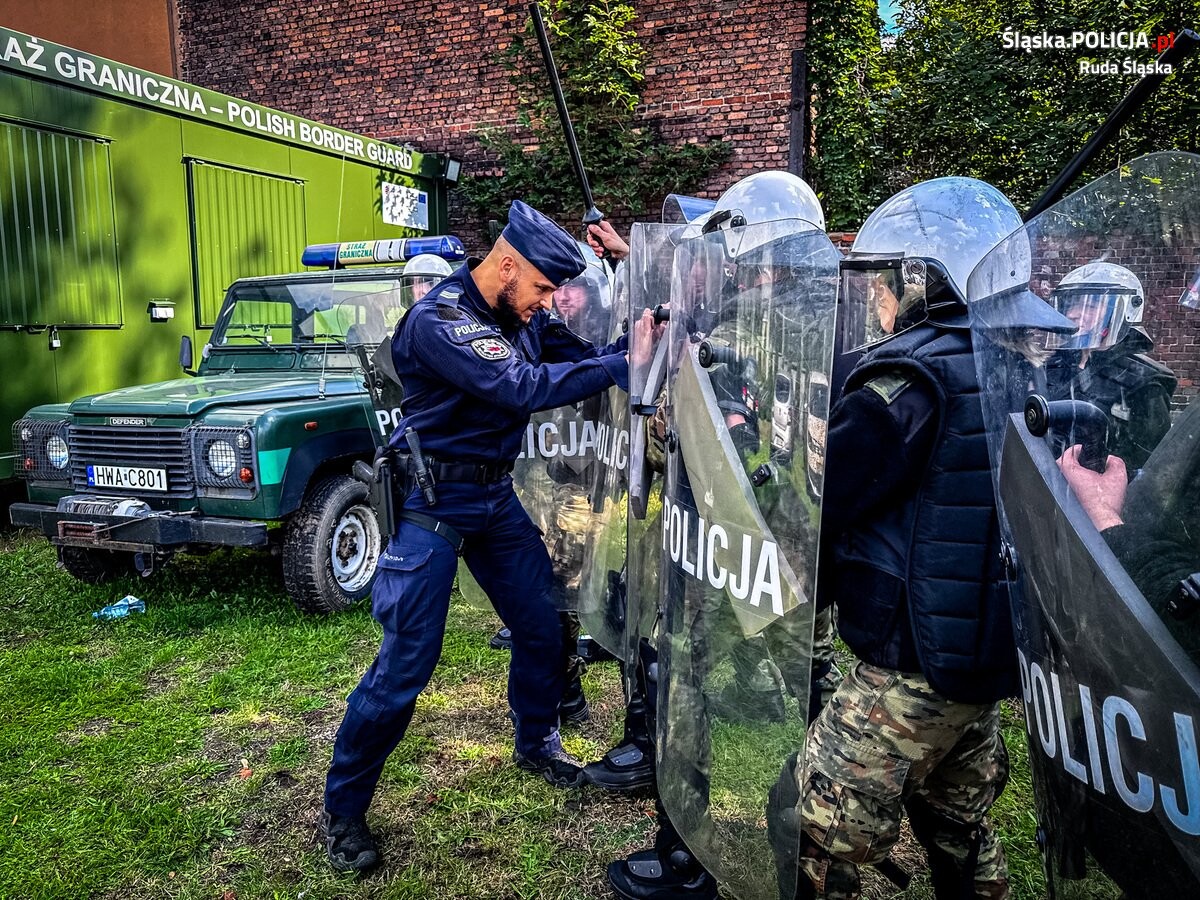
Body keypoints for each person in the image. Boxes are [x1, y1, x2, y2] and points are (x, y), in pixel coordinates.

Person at [769, 178, 1076, 900]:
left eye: (884, 283)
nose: (876, 301)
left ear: (919, 281)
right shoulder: (1008, 363)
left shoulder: (907, 381)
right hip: (981, 657)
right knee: (956, 827)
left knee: (809, 821)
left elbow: (822, 499)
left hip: (911, 664)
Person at [321, 199, 630, 874]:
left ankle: (537, 743)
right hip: (433, 504)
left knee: (543, 626)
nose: (549, 303)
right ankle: (343, 809)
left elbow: (585, 361)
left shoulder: (520, 314)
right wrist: (620, 364)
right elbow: (520, 387)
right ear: (509, 264)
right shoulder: (442, 318)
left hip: (492, 497)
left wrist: (639, 339)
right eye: (544, 288)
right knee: (406, 665)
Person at [1042, 262, 1176, 471]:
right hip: (1043, 482)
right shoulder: (1055, 365)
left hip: (1098, 493)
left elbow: (1149, 465)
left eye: (1091, 306)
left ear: (1120, 313)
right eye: (1071, 304)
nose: (1074, 313)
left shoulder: (1143, 381)